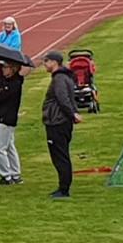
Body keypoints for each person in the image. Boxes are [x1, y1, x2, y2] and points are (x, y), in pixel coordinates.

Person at [42, 50, 82, 199]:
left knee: (60, 156)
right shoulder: (65, 77)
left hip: (57, 122)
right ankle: (63, 186)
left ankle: (64, 188)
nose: (44, 64)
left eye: (46, 61)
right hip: (62, 122)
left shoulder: (59, 79)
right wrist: (74, 113)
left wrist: (72, 114)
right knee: (61, 154)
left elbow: (63, 99)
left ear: (54, 62)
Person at [0, 62, 24, 185]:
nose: (3, 70)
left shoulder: (13, 84)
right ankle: (15, 174)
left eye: (5, 67)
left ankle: (6, 176)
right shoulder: (10, 82)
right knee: (9, 146)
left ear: (13, 69)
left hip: (6, 118)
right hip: (7, 118)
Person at [0, 16, 22, 84]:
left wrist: (3, 48)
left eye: (9, 24)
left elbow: (14, 47)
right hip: (2, 60)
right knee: (0, 79)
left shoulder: (16, 35)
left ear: (13, 25)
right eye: (6, 24)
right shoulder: (1, 34)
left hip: (12, 62)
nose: (7, 26)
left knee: (10, 80)